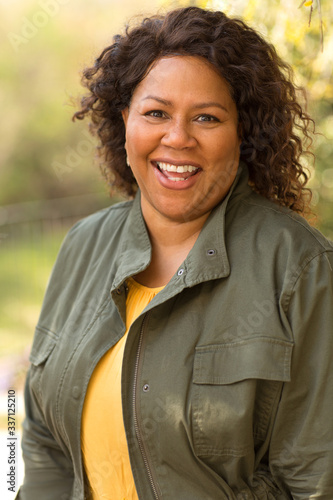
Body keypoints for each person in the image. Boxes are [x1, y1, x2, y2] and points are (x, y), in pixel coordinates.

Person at [17, 6, 333, 500]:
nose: (178, 138)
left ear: (242, 133)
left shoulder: (301, 268)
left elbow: (316, 479)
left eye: (207, 117)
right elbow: (40, 441)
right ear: (125, 122)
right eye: (156, 113)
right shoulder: (82, 245)